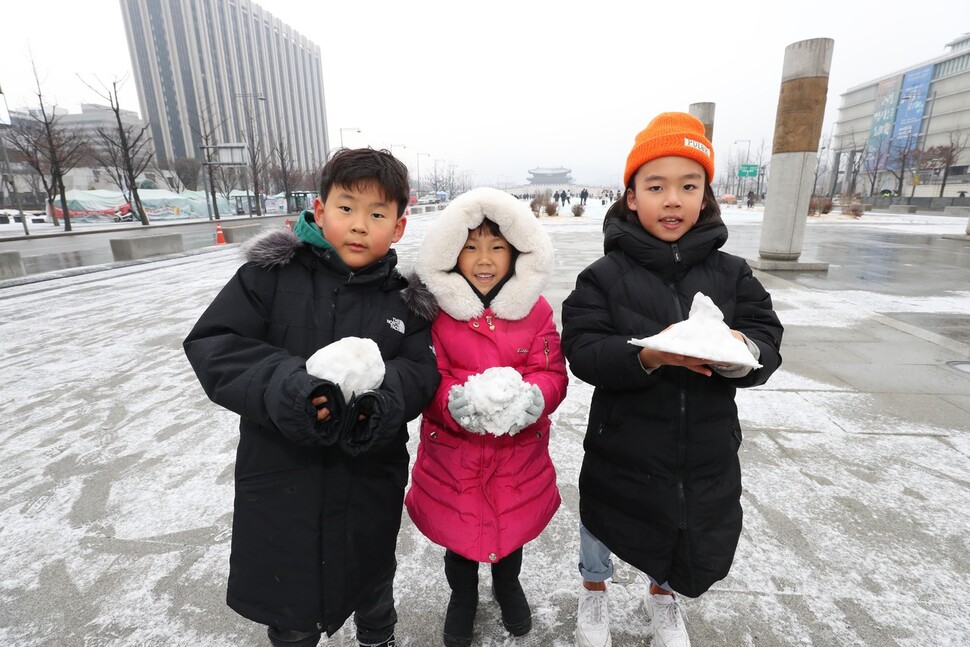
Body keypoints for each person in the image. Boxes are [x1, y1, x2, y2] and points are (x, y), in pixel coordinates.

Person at [183, 148, 441, 647]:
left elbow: (420, 372)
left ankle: (377, 637)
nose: (360, 225)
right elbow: (216, 345)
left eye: (378, 213)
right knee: (290, 602)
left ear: (400, 226)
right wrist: (290, 387)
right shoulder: (269, 278)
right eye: (346, 208)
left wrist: (381, 403)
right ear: (320, 211)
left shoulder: (405, 302)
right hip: (282, 476)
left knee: (372, 583)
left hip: (367, 478)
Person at [561, 113, 783, 647]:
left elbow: (765, 337)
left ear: (706, 195)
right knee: (602, 519)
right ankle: (594, 590)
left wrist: (740, 353)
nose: (673, 200)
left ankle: (663, 597)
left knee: (679, 522)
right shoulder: (604, 275)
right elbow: (584, 351)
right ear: (632, 196)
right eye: (655, 186)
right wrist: (650, 356)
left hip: (703, 444)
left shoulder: (733, 274)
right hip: (623, 443)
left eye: (689, 185)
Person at [403, 187, 569, 647]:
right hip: (454, 456)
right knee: (459, 538)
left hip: (517, 454)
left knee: (509, 532)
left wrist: (537, 396)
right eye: (471, 246)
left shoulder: (534, 312)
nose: (483, 258)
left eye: (497, 246)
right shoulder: (435, 313)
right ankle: (463, 596)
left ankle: (506, 581)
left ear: (516, 252)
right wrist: (449, 400)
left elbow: (550, 370)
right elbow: (426, 374)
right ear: (452, 252)